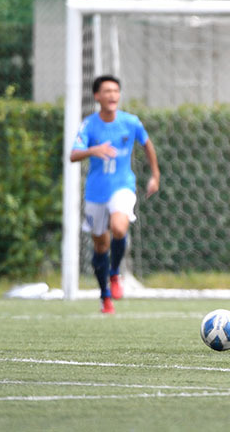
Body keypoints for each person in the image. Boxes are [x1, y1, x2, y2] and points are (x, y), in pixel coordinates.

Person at [69, 74, 160, 315]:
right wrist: (93, 150)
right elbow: (73, 155)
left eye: (115, 91)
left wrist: (155, 175)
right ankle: (104, 296)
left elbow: (147, 145)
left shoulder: (130, 122)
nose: (112, 95)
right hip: (96, 192)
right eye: (107, 91)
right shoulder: (89, 125)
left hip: (123, 185)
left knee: (119, 228)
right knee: (100, 245)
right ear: (97, 96)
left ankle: (115, 273)